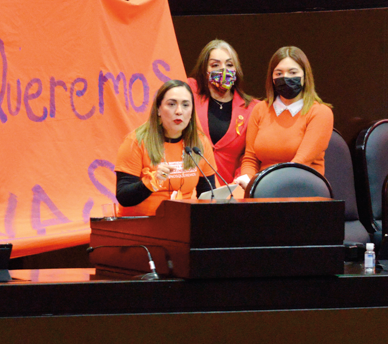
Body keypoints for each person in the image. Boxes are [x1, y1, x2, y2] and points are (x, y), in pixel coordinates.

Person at [233, 47, 333, 191]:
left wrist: (262, 187)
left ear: (305, 76)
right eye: (279, 73)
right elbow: (250, 158)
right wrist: (248, 182)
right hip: (261, 189)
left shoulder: (320, 113)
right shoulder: (260, 109)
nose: (285, 78)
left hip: (302, 188)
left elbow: (300, 164)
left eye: (293, 72)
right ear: (272, 78)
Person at [114, 80, 216, 216]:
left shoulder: (200, 143)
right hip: (141, 225)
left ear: (192, 112)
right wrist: (152, 182)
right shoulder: (136, 141)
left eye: (185, 105)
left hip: (181, 224)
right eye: (172, 104)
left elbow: (208, 193)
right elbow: (124, 197)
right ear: (158, 110)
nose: (179, 111)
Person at [187, 39, 257, 185]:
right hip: (189, 188)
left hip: (230, 190)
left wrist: (238, 183)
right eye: (215, 65)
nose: (223, 70)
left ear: (236, 70)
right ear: (205, 71)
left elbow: (249, 156)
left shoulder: (252, 108)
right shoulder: (189, 93)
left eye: (229, 64)